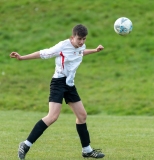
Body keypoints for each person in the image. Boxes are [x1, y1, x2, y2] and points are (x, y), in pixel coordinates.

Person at [10, 24, 105, 160]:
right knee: (52, 117)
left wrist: (95, 50)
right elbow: (42, 53)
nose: (82, 42)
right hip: (58, 83)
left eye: (84, 39)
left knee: (82, 116)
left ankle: (87, 150)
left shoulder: (80, 46)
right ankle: (25, 145)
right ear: (72, 37)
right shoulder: (62, 46)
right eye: (79, 39)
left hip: (70, 85)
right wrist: (21, 57)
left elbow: (81, 52)